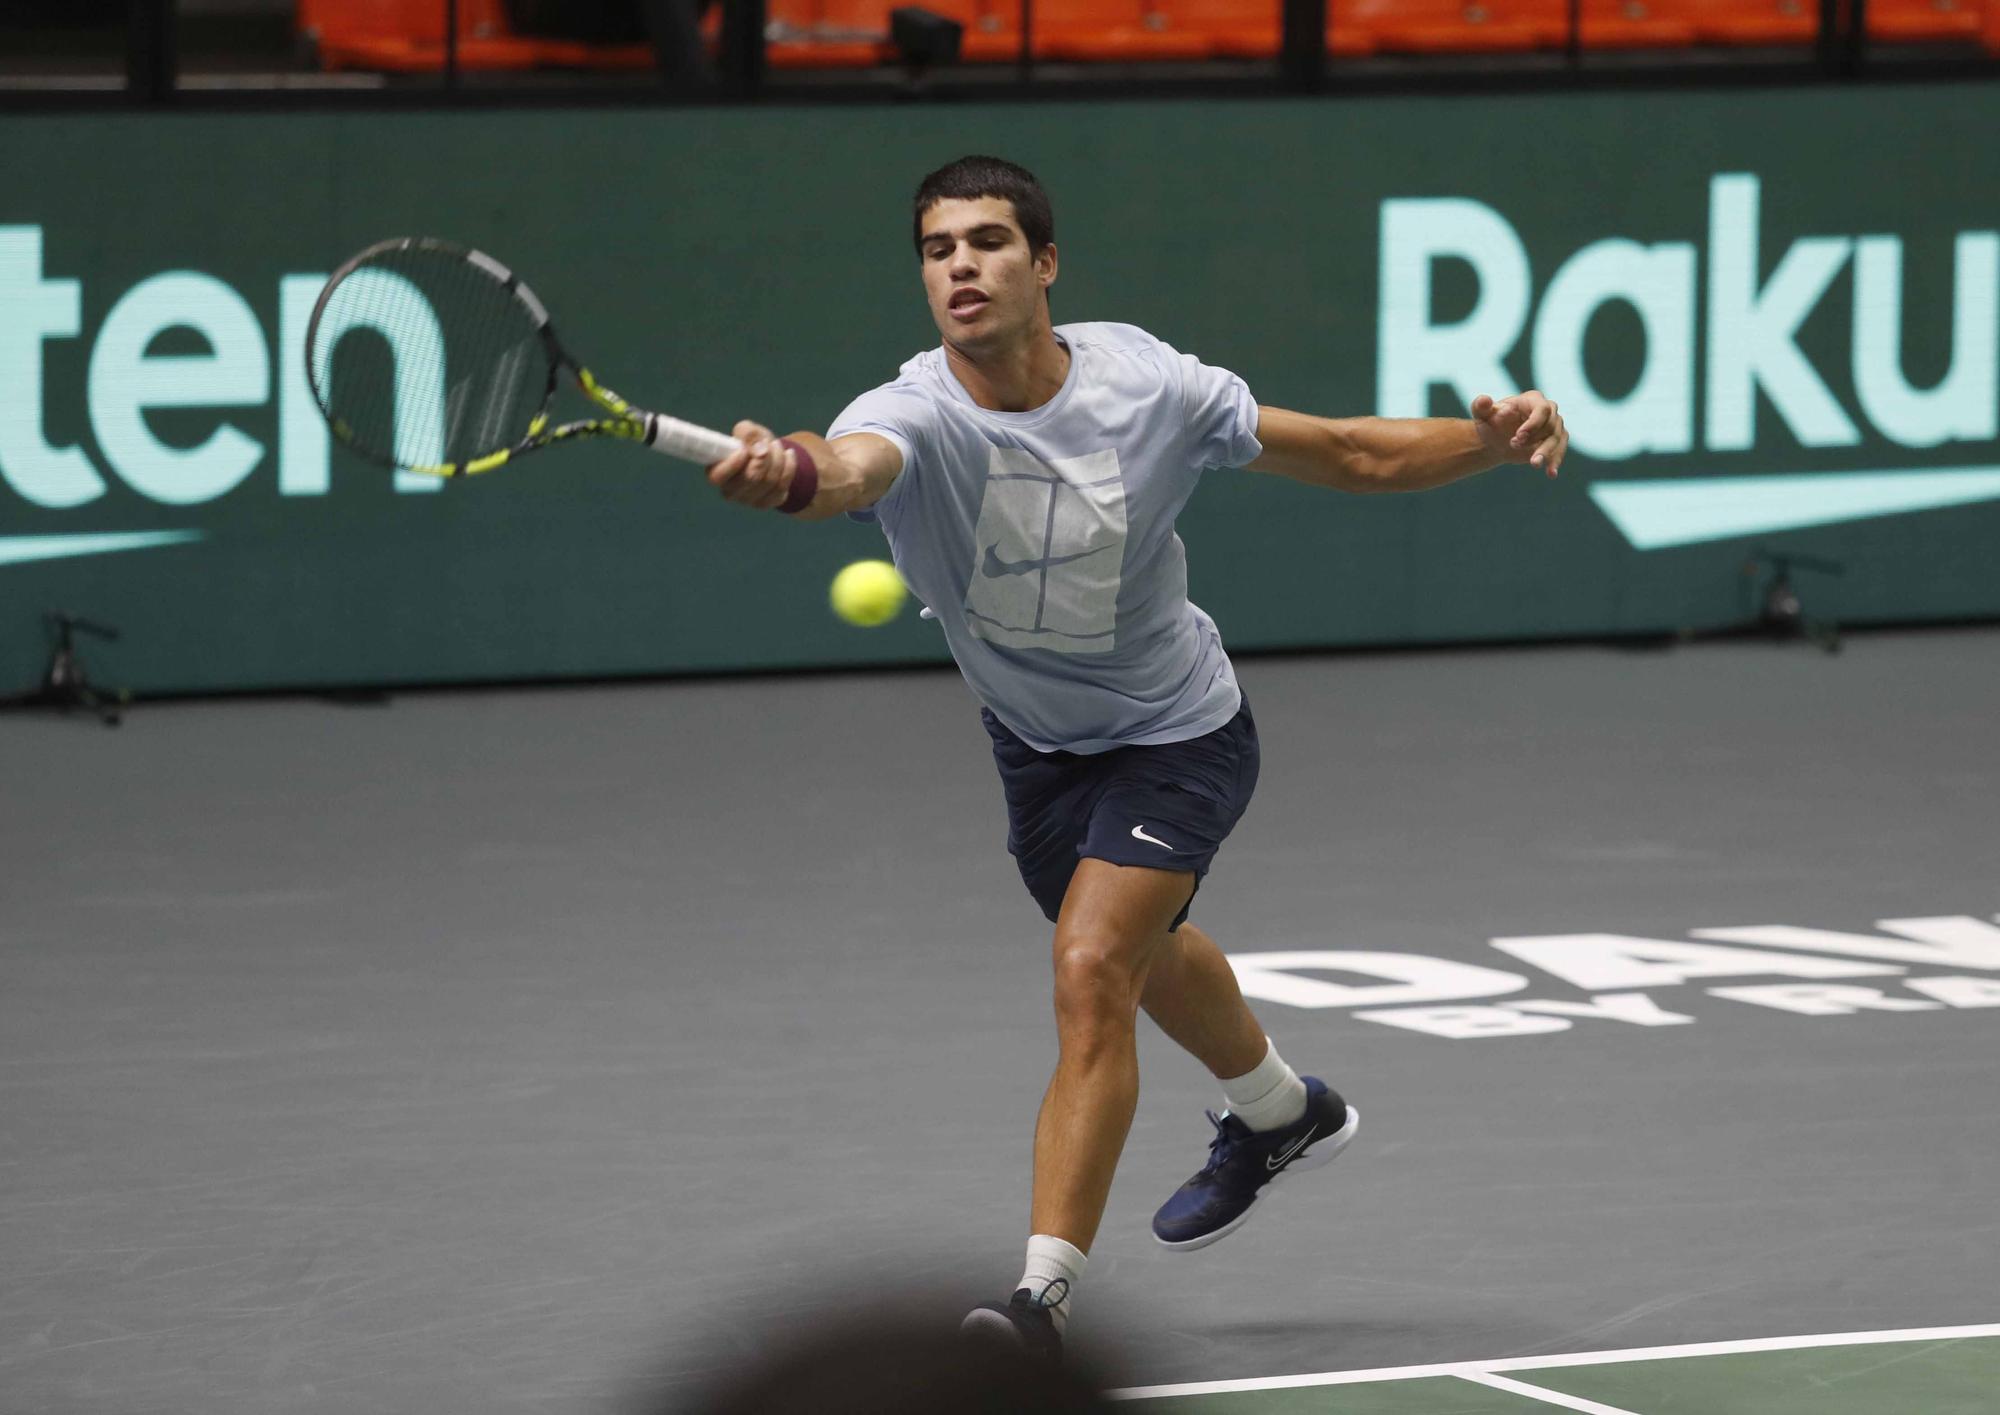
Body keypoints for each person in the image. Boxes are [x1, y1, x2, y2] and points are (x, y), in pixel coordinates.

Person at [701, 155, 1567, 1356]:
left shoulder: (1146, 383)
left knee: (1091, 962)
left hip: (1178, 732)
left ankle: (1035, 1303)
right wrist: (783, 473)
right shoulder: (906, 412)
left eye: (990, 240)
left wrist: (1490, 441)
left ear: (1044, 263)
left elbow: (1354, 451)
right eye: (938, 246)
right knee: (1145, 952)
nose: (961, 264)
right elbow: (838, 468)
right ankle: (1277, 1111)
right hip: (1037, 752)